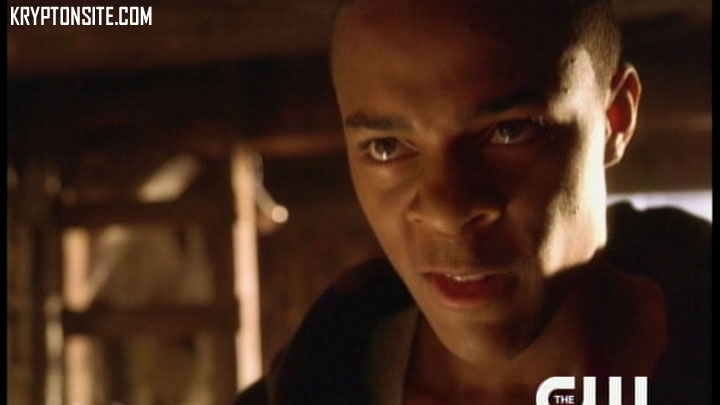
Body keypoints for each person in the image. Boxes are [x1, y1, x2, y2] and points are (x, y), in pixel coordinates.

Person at [236, 0, 711, 404]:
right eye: (386, 147)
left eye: (509, 132)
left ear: (614, 118)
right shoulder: (312, 380)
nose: (447, 212)